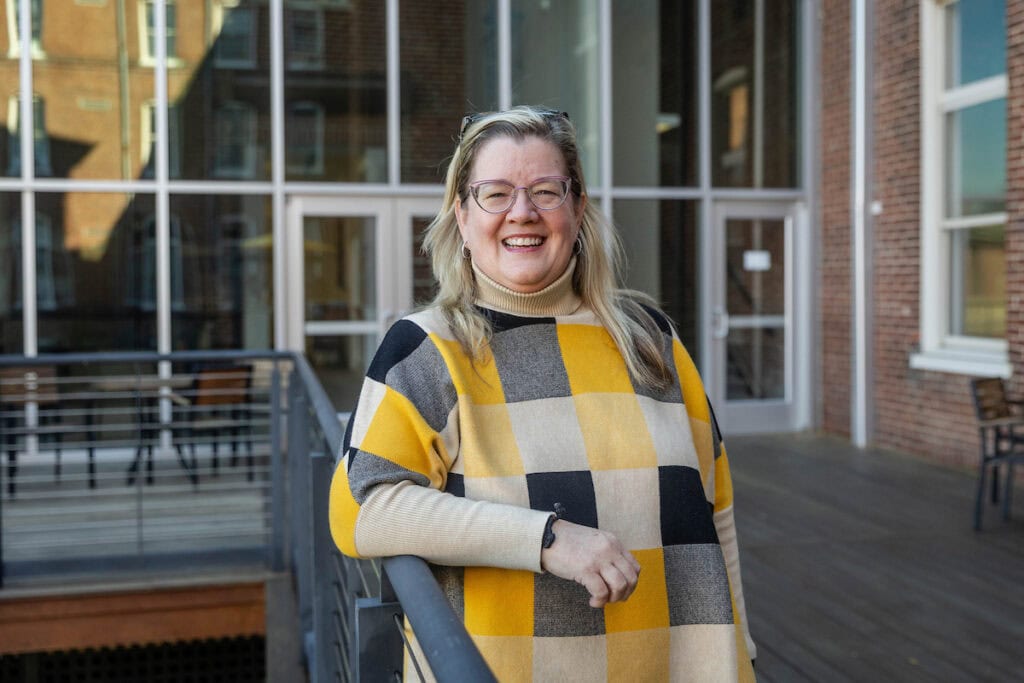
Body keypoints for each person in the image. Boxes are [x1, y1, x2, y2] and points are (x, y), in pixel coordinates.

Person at [329, 106, 756, 681]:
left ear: (578, 207)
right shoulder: (427, 348)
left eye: (546, 191)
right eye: (495, 193)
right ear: (461, 213)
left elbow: (716, 509)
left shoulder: (651, 339)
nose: (522, 213)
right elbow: (359, 511)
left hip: (676, 665)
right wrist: (546, 538)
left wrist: (743, 654)